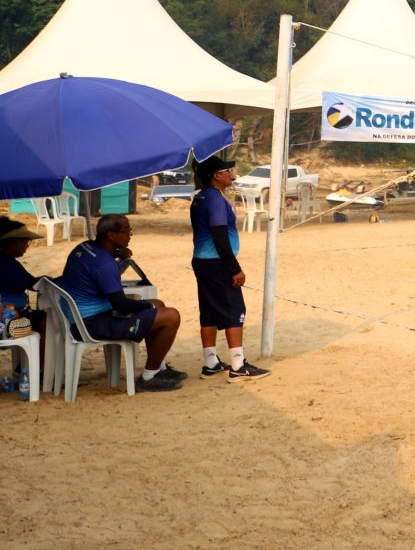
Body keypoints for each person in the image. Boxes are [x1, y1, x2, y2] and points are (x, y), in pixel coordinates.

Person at [57, 214, 186, 391]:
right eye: (127, 231)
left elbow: (102, 277)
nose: (130, 235)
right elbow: (121, 305)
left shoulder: (86, 247)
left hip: (79, 317)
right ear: (111, 235)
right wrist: (149, 305)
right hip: (91, 323)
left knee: (159, 305)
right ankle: (148, 378)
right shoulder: (104, 263)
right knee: (171, 316)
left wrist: (119, 258)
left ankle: (158, 368)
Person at [190, 154, 270, 381]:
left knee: (209, 311)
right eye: (228, 171)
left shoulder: (201, 197)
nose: (232, 175)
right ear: (217, 176)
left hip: (202, 261)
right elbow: (219, 235)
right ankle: (238, 365)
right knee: (235, 310)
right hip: (217, 262)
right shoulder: (215, 199)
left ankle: (211, 362)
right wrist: (234, 268)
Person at [0, 218, 47, 378]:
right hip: (6, 323)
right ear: (13, 241)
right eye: (25, 241)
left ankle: (24, 367)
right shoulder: (5, 263)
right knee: (48, 322)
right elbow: (33, 284)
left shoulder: (6, 260)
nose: (27, 245)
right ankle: (37, 370)